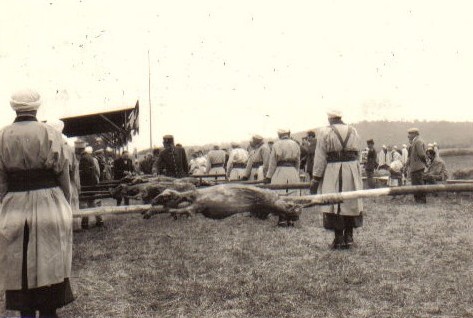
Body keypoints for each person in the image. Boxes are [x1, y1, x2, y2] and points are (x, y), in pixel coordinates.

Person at [0, 89, 74, 317]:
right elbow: (63, 174)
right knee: (49, 258)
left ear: (14, 107)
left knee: (19, 260)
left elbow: (1, 181)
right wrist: (66, 203)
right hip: (48, 202)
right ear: (36, 107)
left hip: (15, 203)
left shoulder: (3, 136)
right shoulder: (49, 133)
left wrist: (6, 202)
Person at [310, 110, 363, 249]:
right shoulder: (354, 131)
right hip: (352, 169)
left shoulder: (325, 132)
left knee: (335, 203)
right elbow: (358, 154)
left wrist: (316, 178)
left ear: (330, 119)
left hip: (333, 170)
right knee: (351, 201)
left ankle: (339, 238)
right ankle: (349, 237)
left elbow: (320, 157)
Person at [265, 129, 301, 226]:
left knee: (280, 194)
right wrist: (296, 172)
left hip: (280, 170)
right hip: (292, 170)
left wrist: (268, 176)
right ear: (288, 134)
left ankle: (282, 218)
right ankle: (291, 218)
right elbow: (298, 161)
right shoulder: (295, 144)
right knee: (293, 194)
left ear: (279, 134)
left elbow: (272, 163)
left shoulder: (276, 145)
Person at [76, 141, 103, 228]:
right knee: (92, 202)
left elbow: (85, 173)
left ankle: (85, 223)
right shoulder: (89, 157)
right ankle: (99, 220)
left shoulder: (83, 158)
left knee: (84, 203)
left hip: (86, 184)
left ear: (79, 149)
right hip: (92, 183)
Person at [406, 128, 427, 203]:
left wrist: (425, 162)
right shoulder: (415, 141)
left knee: (419, 184)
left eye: (410, 134)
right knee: (415, 184)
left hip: (418, 167)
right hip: (415, 167)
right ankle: (418, 200)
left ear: (415, 133)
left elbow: (421, 154)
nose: (408, 136)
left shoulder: (418, 141)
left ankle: (421, 200)